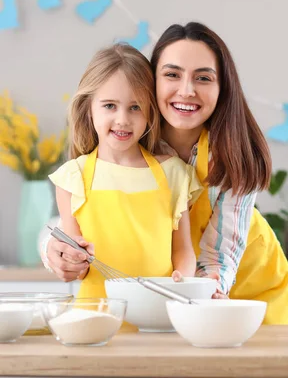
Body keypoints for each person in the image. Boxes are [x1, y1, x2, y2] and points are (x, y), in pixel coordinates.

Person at [41, 22, 288, 324]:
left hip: (247, 293)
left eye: (203, 78)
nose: (186, 91)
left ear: (222, 87)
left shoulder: (233, 151)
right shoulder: (129, 140)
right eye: (172, 74)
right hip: (174, 301)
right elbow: (85, 218)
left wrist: (200, 293)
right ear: (151, 82)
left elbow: (219, 256)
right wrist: (52, 250)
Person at [46, 43, 200, 300]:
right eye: (109, 106)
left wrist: (182, 282)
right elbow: (77, 262)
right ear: (89, 107)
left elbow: (183, 251)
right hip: (96, 317)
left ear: (150, 111)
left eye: (135, 107)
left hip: (158, 313)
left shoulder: (174, 174)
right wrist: (73, 260)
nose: (123, 120)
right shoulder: (73, 177)